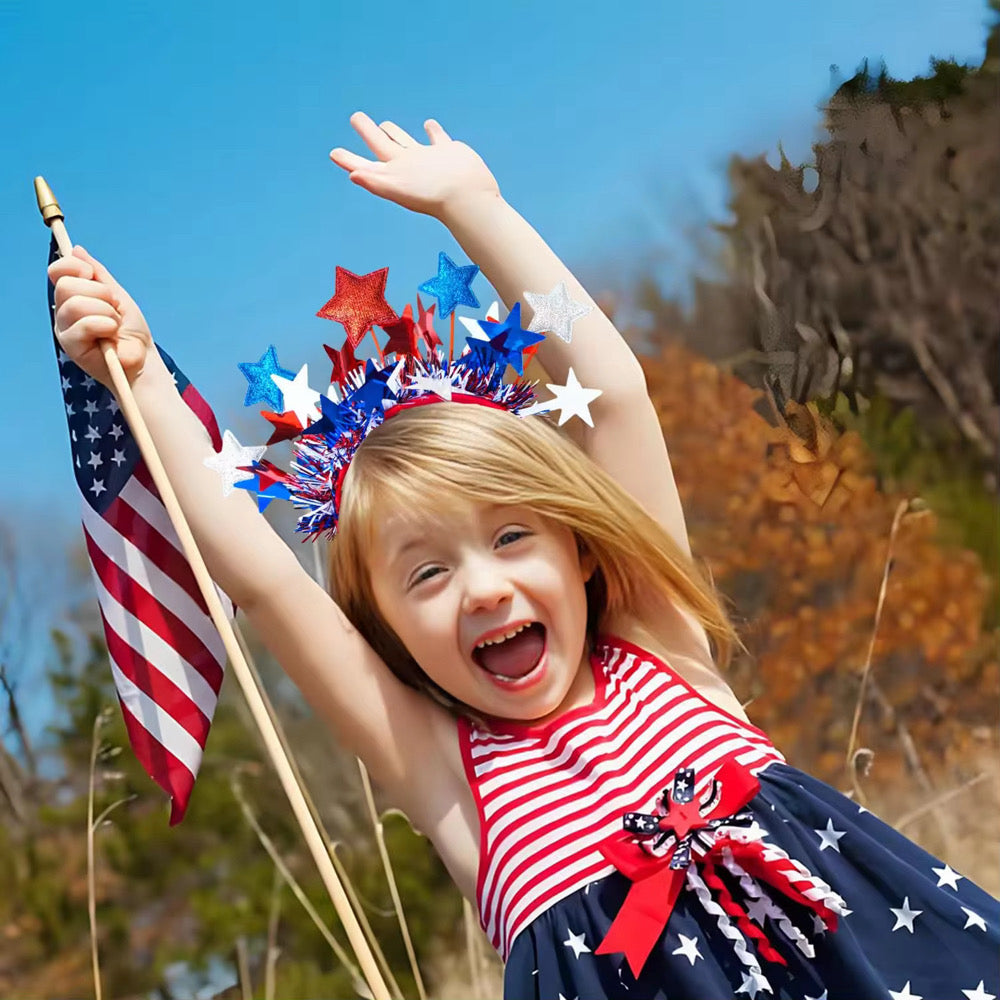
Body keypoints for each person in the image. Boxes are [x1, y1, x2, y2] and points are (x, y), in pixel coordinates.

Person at [50, 112, 998, 1000]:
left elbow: (615, 394)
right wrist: (140, 379)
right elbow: (258, 577)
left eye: (511, 537)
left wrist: (477, 211)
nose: (484, 587)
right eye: (426, 573)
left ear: (580, 548)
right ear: (385, 627)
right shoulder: (446, 773)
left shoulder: (659, 646)